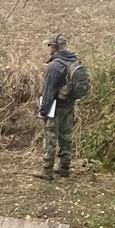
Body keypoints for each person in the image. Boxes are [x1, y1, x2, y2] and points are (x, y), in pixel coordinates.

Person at [37, 33, 83, 179]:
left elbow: (48, 92)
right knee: (66, 137)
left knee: (50, 138)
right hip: (69, 105)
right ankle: (64, 168)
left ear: (55, 47)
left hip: (55, 107)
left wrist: (43, 112)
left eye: (49, 45)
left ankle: (46, 171)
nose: (48, 48)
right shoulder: (74, 60)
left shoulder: (55, 66)